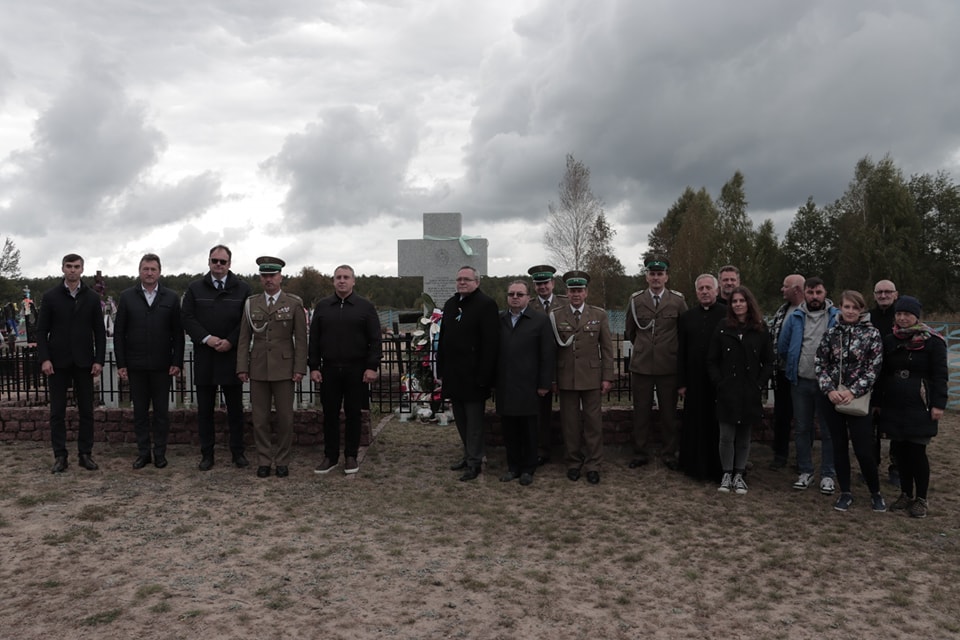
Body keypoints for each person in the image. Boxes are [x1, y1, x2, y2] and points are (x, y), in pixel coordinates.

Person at [181, 244, 253, 470]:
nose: (218, 265)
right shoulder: (195, 288)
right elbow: (188, 317)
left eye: (223, 261)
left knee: (235, 410)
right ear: (209, 262)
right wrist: (207, 338)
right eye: (214, 261)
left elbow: (246, 319)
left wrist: (230, 340)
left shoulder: (243, 289)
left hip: (231, 356)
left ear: (230, 264)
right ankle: (207, 454)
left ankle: (237, 452)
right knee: (205, 410)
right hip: (206, 356)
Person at [876, 296, 948, 519]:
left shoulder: (933, 342)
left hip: (920, 403)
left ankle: (921, 499)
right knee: (900, 452)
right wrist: (878, 401)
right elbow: (882, 373)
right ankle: (905, 493)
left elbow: (940, 375)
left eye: (907, 314)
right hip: (894, 402)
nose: (902, 318)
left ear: (916, 315)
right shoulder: (890, 340)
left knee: (917, 452)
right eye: (899, 314)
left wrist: (938, 404)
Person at [236, 257, 308, 478]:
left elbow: (301, 339)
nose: (268, 280)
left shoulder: (293, 303)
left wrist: (299, 368)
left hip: (284, 369)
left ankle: (283, 460)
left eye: (272, 275)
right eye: (265, 276)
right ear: (260, 278)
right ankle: (264, 460)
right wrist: (242, 366)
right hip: (258, 368)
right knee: (260, 418)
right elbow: (243, 337)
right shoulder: (251, 303)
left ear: (281, 277)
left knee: (285, 418)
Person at [814, 290, 885, 512]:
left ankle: (875, 492)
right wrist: (829, 390)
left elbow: (874, 368)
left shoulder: (872, 334)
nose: (851, 311)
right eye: (847, 307)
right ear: (841, 308)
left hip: (857, 399)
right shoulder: (831, 333)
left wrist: (853, 391)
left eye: (855, 307)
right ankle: (845, 492)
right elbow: (820, 363)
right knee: (839, 447)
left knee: (863, 448)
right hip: (833, 398)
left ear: (861, 310)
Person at [309, 265, 382, 475]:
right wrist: (314, 366)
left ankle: (351, 455)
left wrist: (371, 366)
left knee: (353, 414)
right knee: (329, 414)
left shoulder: (365, 307)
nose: (342, 281)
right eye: (338, 277)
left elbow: (375, 340)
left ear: (353, 281)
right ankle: (330, 456)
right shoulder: (323, 307)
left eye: (346, 277)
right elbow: (314, 339)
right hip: (330, 369)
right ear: (333, 281)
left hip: (356, 369)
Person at [37, 254, 107, 473]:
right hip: (57, 362)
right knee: (57, 412)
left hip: (84, 361)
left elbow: (99, 332)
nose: (72, 270)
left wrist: (99, 360)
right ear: (62, 269)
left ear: (82, 269)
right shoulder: (50, 296)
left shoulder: (92, 298)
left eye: (76, 267)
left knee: (86, 411)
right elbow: (41, 331)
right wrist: (45, 358)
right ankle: (60, 456)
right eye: (69, 266)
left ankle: (85, 454)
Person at [113, 253, 184, 469]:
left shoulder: (171, 297)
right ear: (139, 271)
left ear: (160, 272)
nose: (150, 273)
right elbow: (119, 333)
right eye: (146, 269)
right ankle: (144, 453)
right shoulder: (127, 297)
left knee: (161, 413)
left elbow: (177, 334)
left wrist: (177, 361)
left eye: (153, 269)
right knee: (140, 413)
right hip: (136, 366)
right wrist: (122, 363)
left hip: (163, 366)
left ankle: (160, 453)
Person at [708, 286, 774, 494]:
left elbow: (769, 361)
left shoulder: (760, 329)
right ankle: (726, 473)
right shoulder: (722, 327)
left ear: (749, 303)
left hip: (749, 391)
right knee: (726, 436)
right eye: (734, 301)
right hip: (728, 390)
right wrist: (719, 382)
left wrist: (759, 383)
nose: (738, 304)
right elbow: (712, 359)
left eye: (741, 301)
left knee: (744, 436)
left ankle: (739, 474)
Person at [437, 266, 500, 481]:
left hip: (474, 376)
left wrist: (485, 376)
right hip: (454, 375)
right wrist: (441, 368)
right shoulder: (451, 304)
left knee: (474, 423)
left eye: (466, 279)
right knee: (461, 420)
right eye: (459, 279)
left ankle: (475, 461)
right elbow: (444, 340)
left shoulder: (486, 305)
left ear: (477, 282)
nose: (462, 282)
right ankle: (468, 454)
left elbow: (490, 344)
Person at [624, 257, 687, 470]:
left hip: (668, 365)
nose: (656, 278)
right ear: (646, 277)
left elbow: (683, 331)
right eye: (652, 274)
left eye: (660, 274)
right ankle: (640, 452)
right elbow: (631, 331)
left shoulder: (678, 301)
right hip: (642, 365)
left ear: (666, 276)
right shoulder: (636, 300)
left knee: (668, 412)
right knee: (641, 411)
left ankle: (669, 453)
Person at [552, 271, 614, 484]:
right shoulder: (556, 315)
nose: (576, 294)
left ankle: (593, 464)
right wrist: (553, 379)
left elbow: (607, 348)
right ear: (567, 293)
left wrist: (607, 377)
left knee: (593, 423)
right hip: (566, 377)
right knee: (570, 424)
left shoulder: (598, 314)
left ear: (586, 292)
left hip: (591, 377)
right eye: (572, 290)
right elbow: (551, 351)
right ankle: (573, 462)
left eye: (579, 290)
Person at [778, 277, 838, 494]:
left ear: (825, 293)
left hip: (828, 385)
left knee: (828, 430)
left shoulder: (836, 316)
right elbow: (783, 347)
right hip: (801, 382)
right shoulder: (795, 316)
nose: (814, 297)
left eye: (818, 292)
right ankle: (805, 471)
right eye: (810, 292)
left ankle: (828, 474)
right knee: (802, 429)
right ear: (805, 293)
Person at [495, 280, 556, 486]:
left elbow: (548, 355)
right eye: (511, 294)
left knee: (530, 430)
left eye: (519, 294)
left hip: (530, 386)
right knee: (510, 430)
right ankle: (513, 467)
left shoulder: (540, 320)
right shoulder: (500, 320)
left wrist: (544, 383)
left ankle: (529, 468)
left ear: (528, 298)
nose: (515, 297)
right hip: (506, 384)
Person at [677, 274, 726, 482]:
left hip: (718, 380)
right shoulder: (687, 317)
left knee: (716, 423)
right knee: (694, 423)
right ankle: (693, 466)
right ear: (696, 292)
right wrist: (681, 382)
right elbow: (681, 351)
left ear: (716, 291)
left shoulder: (726, 314)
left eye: (708, 288)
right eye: (700, 289)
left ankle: (717, 467)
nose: (704, 291)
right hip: (694, 380)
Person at [527, 264, 568, 466]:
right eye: (539, 284)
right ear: (534, 286)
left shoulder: (565, 303)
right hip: (538, 368)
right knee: (540, 413)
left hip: (564, 365)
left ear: (553, 283)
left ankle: (571, 450)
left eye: (546, 283)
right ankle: (542, 449)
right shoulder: (529, 305)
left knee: (571, 412)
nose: (543, 287)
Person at [768, 274, 805, 469]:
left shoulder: (809, 312)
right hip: (781, 372)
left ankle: (802, 458)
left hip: (803, 374)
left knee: (802, 417)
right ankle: (780, 454)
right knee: (781, 414)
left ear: (796, 289)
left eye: (785, 286)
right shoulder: (782, 311)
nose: (782, 290)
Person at [869, 279, 900, 487]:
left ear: (895, 294)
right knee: (871, 427)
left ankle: (896, 468)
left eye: (887, 292)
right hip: (872, 379)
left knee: (897, 429)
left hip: (896, 379)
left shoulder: (903, 315)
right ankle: (872, 466)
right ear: (874, 295)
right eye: (879, 292)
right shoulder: (869, 317)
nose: (883, 295)